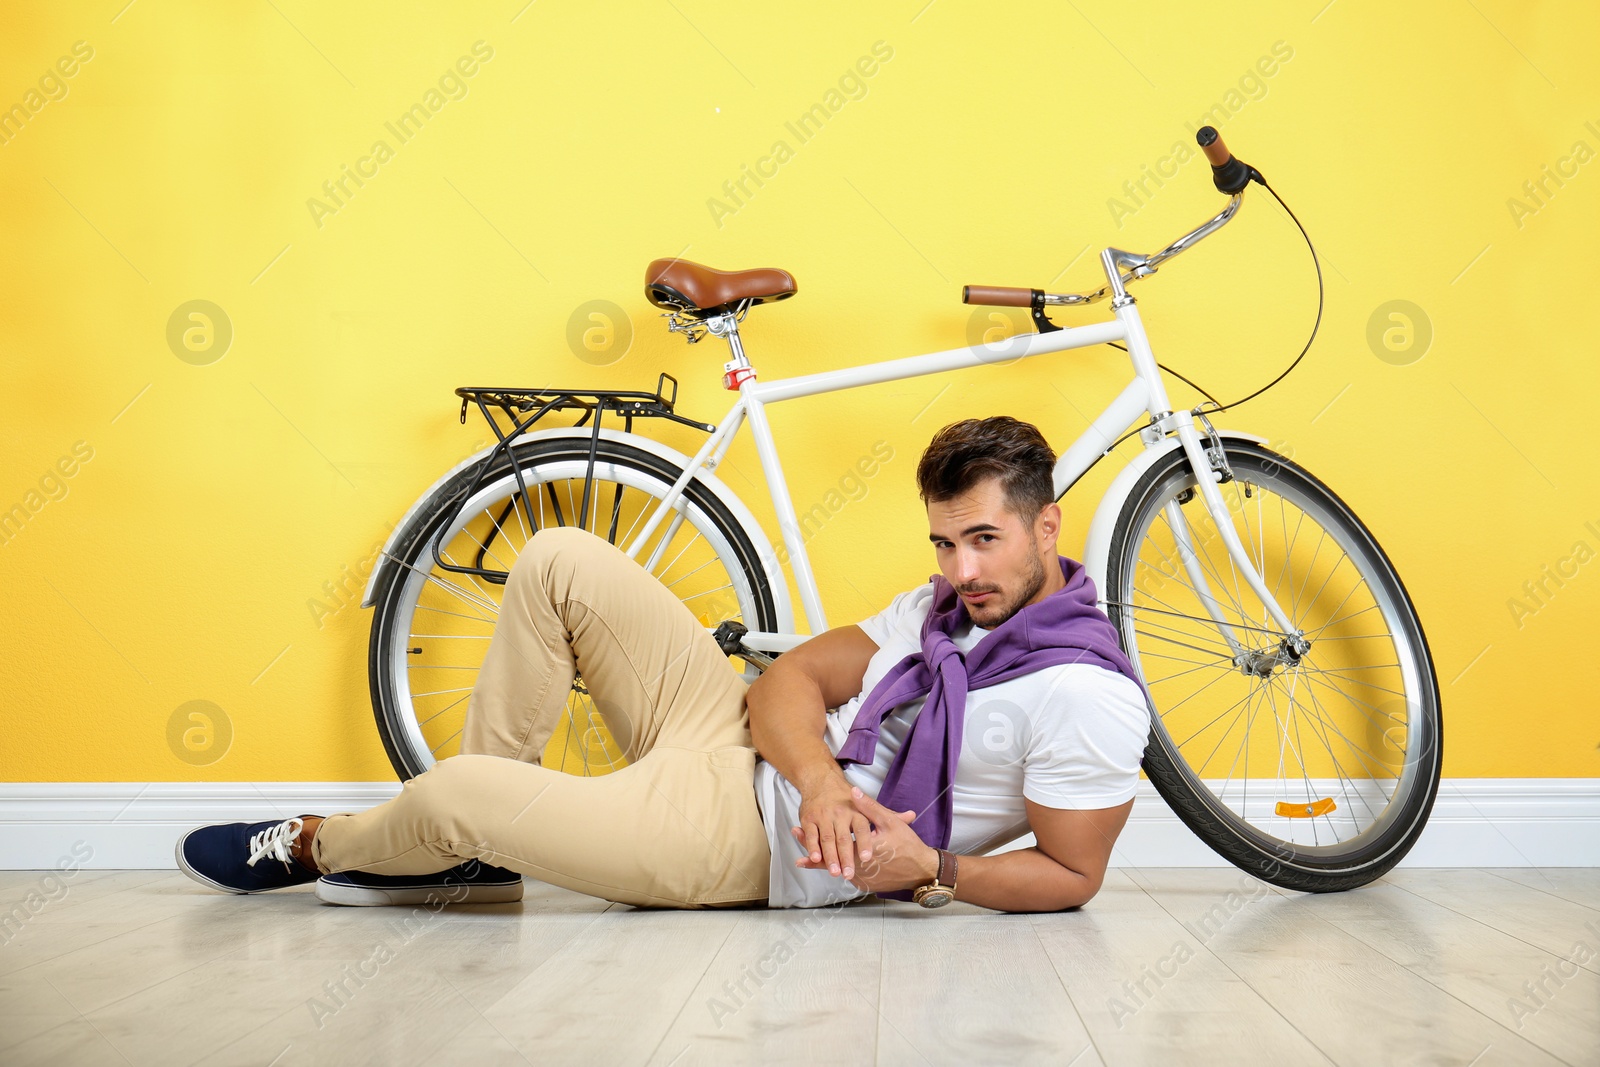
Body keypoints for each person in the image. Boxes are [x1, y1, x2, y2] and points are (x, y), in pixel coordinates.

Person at [176, 416, 1152, 912]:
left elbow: (1071, 873)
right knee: (559, 557)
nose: (960, 569)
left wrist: (930, 866)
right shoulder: (934, 604)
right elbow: (786, 685)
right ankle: (474, 860)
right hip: (740, 739)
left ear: (1048, 524)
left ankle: (324, 842)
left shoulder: (1084, 693)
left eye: (982, 540)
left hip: (743, 836)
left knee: (459, 786)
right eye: (944, 542)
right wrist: (817, 776)